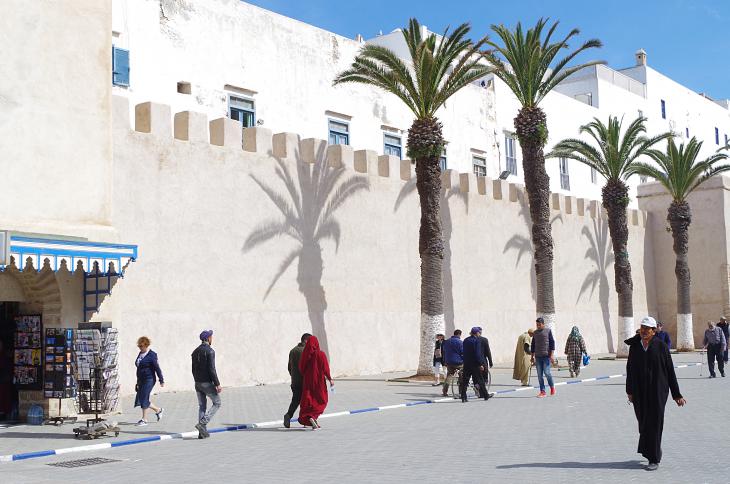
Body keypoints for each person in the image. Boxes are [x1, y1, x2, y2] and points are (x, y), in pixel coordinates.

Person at [625, 316, 686, 471]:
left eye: (647, 328)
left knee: (654, 423)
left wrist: (676, 394)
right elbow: (630, 370)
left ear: (653, 331)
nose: (644, 331)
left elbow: (670, 371)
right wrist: (630, 391)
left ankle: (654, 458)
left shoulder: (661, 347)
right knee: (643, 423)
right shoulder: (635, 347)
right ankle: (650, 450)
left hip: (658, 391)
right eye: (642, 328)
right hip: (639, 392)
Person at [298, 335, 333, 429]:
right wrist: (330, 379)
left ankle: (310, 419)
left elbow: (301, 368)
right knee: (322, 400)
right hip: (319, 382)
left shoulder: (305, 355)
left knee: (309, 400)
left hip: (308, 381)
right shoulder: (321, 354)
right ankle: (313, 417)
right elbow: (326, 369)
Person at [192, 329, 221, 439]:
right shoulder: (210, 351)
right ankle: (203, 423)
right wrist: (217, 384)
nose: (212, 338)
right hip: (207, 383)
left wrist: (196, 381)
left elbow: (193, 369)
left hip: (197, 383)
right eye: (211, 336)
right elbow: (212, 369)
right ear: (208, 338)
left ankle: (201, 433)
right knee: (217, 403)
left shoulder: (195, 352)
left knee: (202, 406)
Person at [134, 336, 164, 426]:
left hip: (149, 379)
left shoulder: (152, 355)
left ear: (146, 345)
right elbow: (139, 368)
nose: (140, 348)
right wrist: (137, 382)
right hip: (141, 380)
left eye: (142, 346)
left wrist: (161, 379)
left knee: (143, 398)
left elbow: (157, 368)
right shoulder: (140, 354)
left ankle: (144, 419)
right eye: (139, 346)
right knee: (142, 398)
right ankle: (158, 410)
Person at [284, 333, 311, 428]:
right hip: (305, 382)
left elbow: (289, 367)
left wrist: (294, 377)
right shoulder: (306, 351)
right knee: (308, 401)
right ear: (306, 341)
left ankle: (288, 415)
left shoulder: (293, 351)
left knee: (296, 400)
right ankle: (307, 420)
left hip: (295, 382)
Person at [460, 328, 489, 402]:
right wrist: (480, 364)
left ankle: (463, 397)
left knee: (465, 380)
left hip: (466, 363)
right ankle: (485, 395)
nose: (480, 334)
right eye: (479, 333)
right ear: (476, 333)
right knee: (480, 380)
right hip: (475, 364)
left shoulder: (466, 340)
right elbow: (477, 354)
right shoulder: (477, 340)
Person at [530, 317, 555, 398]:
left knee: (547, 373)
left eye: (539, 324)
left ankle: (552, 387)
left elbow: (552, 343)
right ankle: (542, 391)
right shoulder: (535, 333)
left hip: (546, 356)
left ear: (543, 324)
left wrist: (551, 355)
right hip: (538, 357)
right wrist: (532, 356)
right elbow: (533, 345)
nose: (538, 326)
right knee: (539, 375)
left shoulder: (548, 331)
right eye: (537, 325)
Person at [441, 330, 463, 397]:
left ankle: (445, 391)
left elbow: (444, 352)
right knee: (462, 376)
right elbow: (463, 352)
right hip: (459, 362)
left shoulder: (447, 342)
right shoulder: (460, 342)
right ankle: (461, 391)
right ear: (459, 334)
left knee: (449, 376)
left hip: (449, 362)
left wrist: (445, 361)